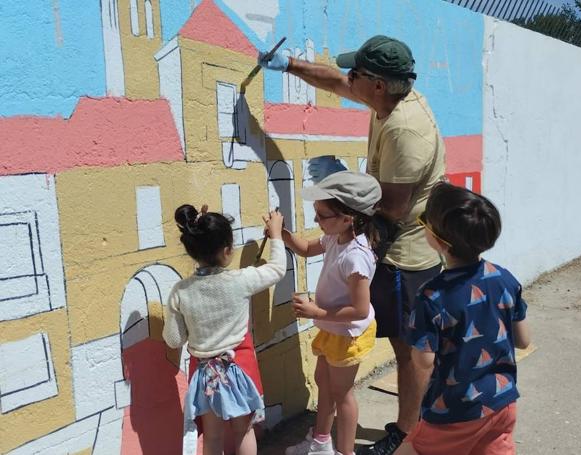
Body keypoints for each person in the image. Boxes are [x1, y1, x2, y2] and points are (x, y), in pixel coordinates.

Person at [259, 35, 446, 454]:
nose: (348, 79)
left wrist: (343, 188)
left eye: (356, 74)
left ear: (377, 84)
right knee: (397, 352)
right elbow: (334, 82)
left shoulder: (406, 131)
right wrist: (287, 64)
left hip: (406, 258)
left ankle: (407, 432)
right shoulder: (384, 99)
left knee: (411, 352)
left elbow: (393, 209)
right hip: (381, 241)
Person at [395, 182, 531, 455]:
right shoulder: (504, 278)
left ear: (439, 241)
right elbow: (524, 340)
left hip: (454, 411)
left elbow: (423, 361)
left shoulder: (431, 296)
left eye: (425, 222)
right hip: (502, 403)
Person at [162, 204, 286, 455]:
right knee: (243, 431)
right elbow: (277, 269)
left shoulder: (181, 291)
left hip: (205, 375)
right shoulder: (240, 281)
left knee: (212, 438)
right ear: (228, 250)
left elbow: (174, 340)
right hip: (239, 368)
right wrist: (276, 235)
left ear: (192, 250)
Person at [282, 171, 381, 455]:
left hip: (348, 333)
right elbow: (305, 249)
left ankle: (345, 451)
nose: (316, 221)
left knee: (342, 394)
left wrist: (317, 310)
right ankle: (321, 443)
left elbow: (360, 309)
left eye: (322, 215)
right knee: (324, 383)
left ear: (348, 217)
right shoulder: (334, 238)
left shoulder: (355, 255)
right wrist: (285, 235)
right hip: (333, 328)